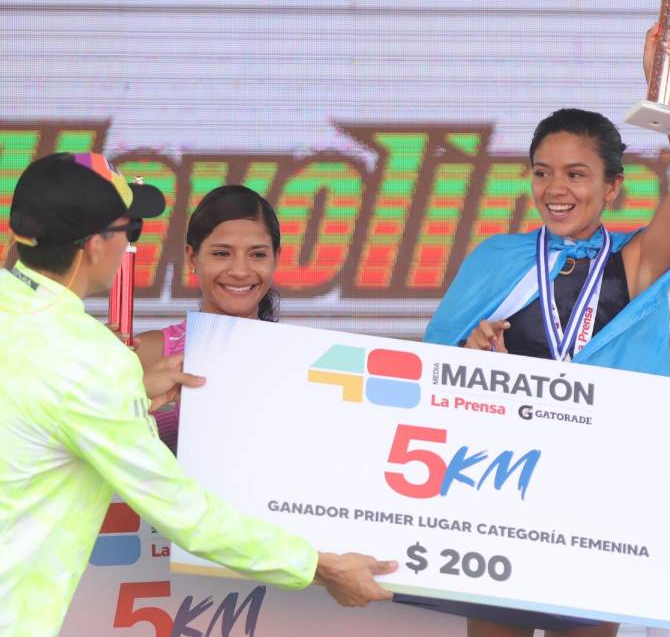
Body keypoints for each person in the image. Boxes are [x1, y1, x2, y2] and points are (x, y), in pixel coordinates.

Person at [0, 153, 397, 637]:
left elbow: (36, 418)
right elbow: (186, 514)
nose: (131, 244)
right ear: (96, 246)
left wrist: (135, 400)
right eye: (130, 230)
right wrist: (323, 567)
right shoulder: (94, 361)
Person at [424, 23, 670, 637]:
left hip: (600, 499)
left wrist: (666, 90)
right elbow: (432, 370)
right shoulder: (496, 260)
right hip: (497, 498)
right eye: (542, 173)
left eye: (577, 175)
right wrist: (467, 351)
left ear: (612, 187)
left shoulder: (634, 262)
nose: (556, 189)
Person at [133, 184, 281, 453]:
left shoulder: (297, 359)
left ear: (275, 259)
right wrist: (135, 397)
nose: (239, 271)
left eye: (258, 254)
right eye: (221, 253)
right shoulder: (147, 352)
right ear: (192, 257)